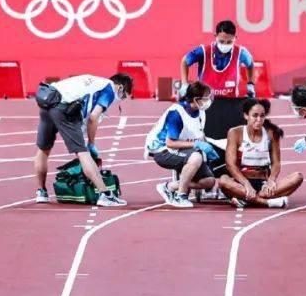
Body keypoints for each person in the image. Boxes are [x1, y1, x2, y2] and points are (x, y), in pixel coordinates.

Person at [34, 73, 133, 206]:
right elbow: (93, 117)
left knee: (43, 150)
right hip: (62, 107)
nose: (121, 99)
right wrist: (91, 143)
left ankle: (41, 192)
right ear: (120, 88)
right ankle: (105, 194)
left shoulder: (93, 81)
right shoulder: (109, 89)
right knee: (83, 152)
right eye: (124, 96)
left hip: (46, 101)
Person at [217, 98, 304, 208]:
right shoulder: (235, 133)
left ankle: (245, 199)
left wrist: (271, 180)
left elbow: (276, 162)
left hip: (263, 185)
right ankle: (267, 202)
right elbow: (230, 164)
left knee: (298, 177)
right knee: (223, 181)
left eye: (262, 116)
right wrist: (246, 184)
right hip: (241, 183)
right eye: (255, 115)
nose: (259, 119)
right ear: (246, 116)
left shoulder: (271, 133)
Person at [145, 81, 219, 208]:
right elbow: (170, 143)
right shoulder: (177, 113)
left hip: (183, 150)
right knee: (196, 157)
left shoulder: (201, 113)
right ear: (196, 99)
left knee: (209, 181)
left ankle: (169, 187)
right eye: (206, 97)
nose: (209, 100)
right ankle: (181, 195)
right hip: (162, 150)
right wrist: (198, 145)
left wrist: (208, 147)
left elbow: (199, 136)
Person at [179, 20, 257, 98]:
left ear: (235, 38)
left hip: (230, 102)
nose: (225, 44)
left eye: (229, 42)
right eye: (222, 41)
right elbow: (185, 61)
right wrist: (184, 84)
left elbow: (250, 65)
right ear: (215, 36)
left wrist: (250, 84)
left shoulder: (241, 53)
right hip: (204, 101)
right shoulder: (203, 51)